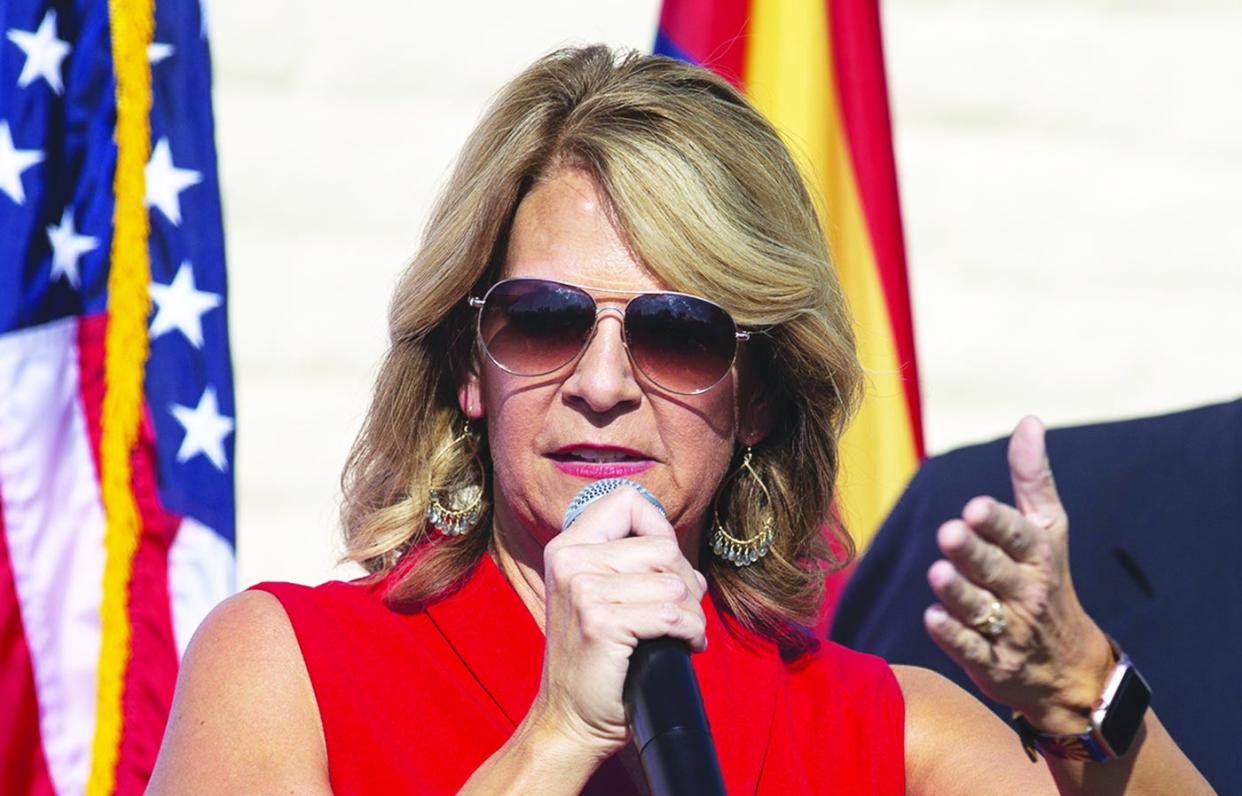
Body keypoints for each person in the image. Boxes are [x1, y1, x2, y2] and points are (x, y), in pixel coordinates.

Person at [148, 46, 1212, 794]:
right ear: (469, 367)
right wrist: (555, 737)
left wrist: (1087, 689)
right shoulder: (287, 667)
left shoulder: (883, 732)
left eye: (676, 334)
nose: (602, 382)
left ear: (754, 393)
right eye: (543, 319)